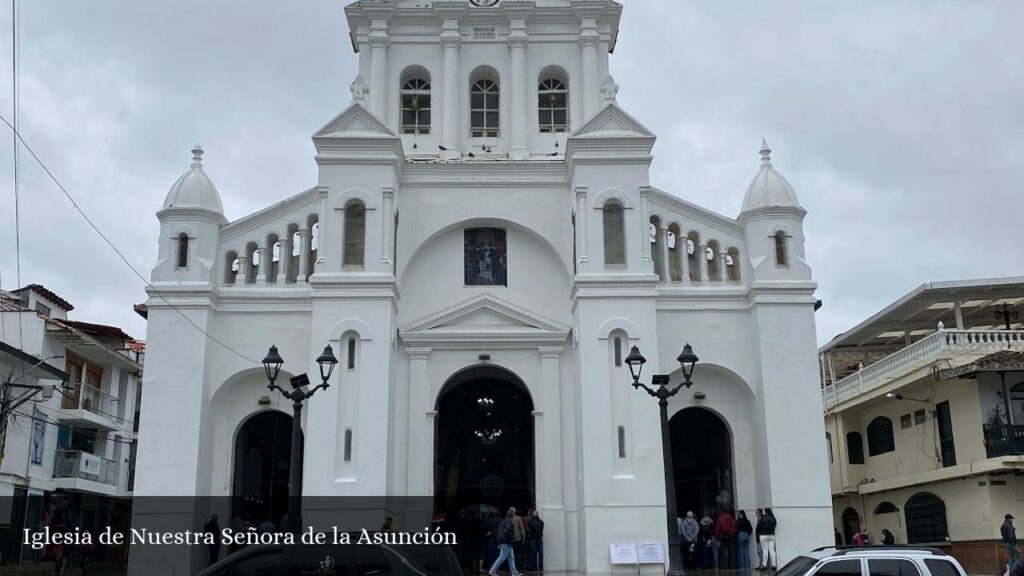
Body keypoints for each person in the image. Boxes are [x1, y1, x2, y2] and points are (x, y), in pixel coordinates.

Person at [489, 508, 521, 576]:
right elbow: (508, 532)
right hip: (506, 542)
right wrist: (512, 539)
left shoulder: (503, 521)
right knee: (502, 557)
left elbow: (501, 532)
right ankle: (492, 570)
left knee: (511, 558)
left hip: (504, 541)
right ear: (512, 515)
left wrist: (499, 542)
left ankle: (514, 572)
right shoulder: (509, 522)